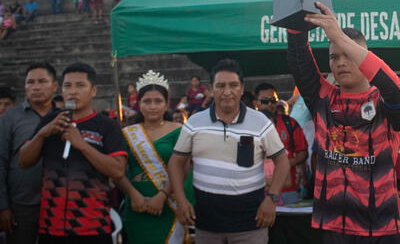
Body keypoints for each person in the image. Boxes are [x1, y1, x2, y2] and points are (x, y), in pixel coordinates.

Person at [287, 0, 400, 242]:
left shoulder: (384, 103)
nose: (341, 62)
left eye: (348, 55)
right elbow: (299, 58)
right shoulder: (322, 98)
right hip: (334, 228)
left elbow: (397, 92)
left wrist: (338, 36)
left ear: (363, 56)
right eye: (334, 57)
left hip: (382, 229)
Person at [168, 59, 290, 244]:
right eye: (220, 86)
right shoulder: (194, 123)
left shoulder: (261, 123)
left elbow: (282, 160)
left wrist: (272, 199)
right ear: (211, 89)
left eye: (233, 85)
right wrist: (181, 200)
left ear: (242, 88)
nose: (227, 92)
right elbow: (176, 162)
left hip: (251, 225)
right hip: (207, 225)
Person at [19, 62, 127, 244]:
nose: (73, 91)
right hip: (51, 226)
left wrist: (82, 145)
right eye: (67, 86)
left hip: (92, 226)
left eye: (80, 85)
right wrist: (42, 134)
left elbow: (117, 171)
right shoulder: (50, 121)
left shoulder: (108, 126)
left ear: (93, 90)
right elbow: (24, 162)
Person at [116, 70, 194, 243]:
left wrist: (162, 195)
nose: (152, 106)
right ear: (139, 104)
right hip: (138, 204)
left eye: (158, 101)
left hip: (170, 204)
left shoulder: (179, 130)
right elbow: (117, 171)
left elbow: (184, 168)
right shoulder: (128, 133)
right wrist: (133, 195)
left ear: (167, 104)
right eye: (147, 101)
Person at [0, 63, 58, 244]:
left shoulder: (64, 115)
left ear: (55, 86)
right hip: (22, 204)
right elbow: (0, 161)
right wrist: (3, 206)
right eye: (30, 82)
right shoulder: (10, 117)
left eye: (42, 81)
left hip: (59, 202)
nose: (36, 87)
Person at [254, 82, 308, 205]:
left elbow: (303, 152)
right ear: (255, 103)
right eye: (265, 101)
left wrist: (282, 163)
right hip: (256, 192)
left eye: (273, 100)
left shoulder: (290, 123)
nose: (270, 105)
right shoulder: (247, 126)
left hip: (287, 191)